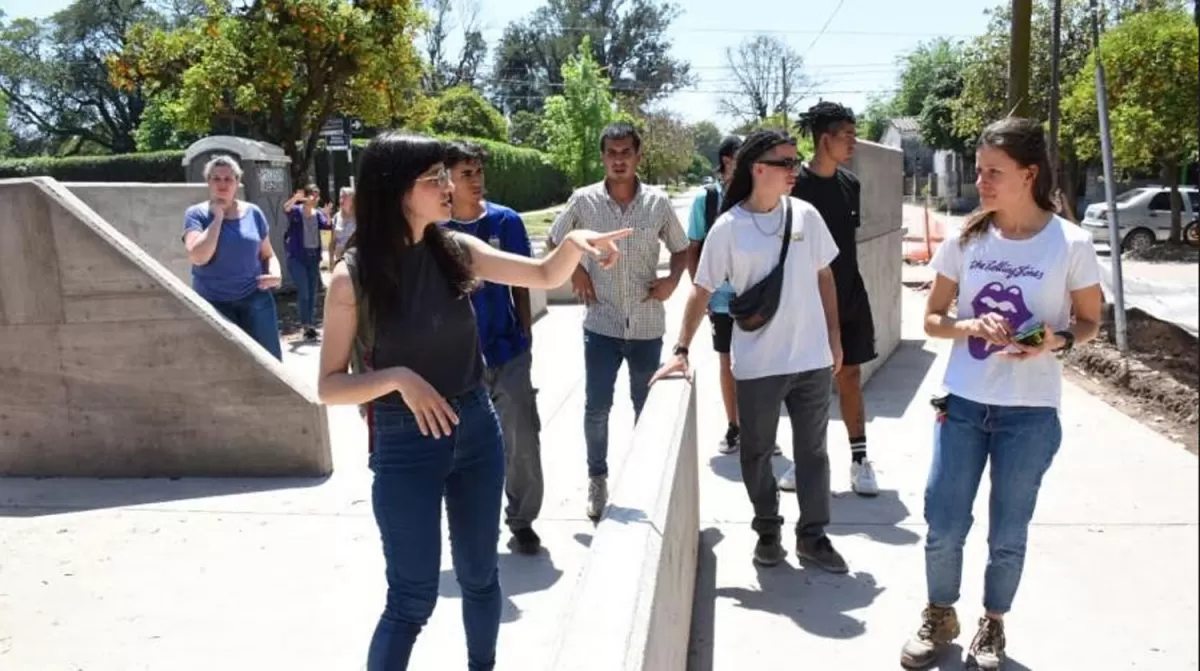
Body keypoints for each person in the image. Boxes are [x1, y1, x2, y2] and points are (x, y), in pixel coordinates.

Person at [316, 131, 629, 671]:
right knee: (411, 599)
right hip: (405, 444)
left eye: (447, 176)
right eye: (434, 178)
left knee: (481, 578)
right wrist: (399, 379)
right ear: (397, 189)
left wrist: (575, 243)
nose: (449, 186)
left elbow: (541, 274)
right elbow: (328, 385)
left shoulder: (455, 249)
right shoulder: (353, 276)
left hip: (477, 431)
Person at [898, 117, 1102, 671]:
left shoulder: (1071, 243)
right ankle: (940, 614)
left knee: (1008, 531)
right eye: (979, 170)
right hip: (963, 403)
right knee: (944, 523)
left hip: (1030, 414)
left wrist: (1053, 341)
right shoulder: (967, 238)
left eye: (994, 172)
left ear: (1029, 175)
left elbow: (1089, 322)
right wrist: (968, 325)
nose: (981, 182)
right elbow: (933, 318)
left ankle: (993, 625)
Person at [651, 129, 849, 573]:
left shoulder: (807, 215)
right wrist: (681, 348)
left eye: (796, 161)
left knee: (813, 452)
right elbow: (701, 289)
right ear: (759, 168)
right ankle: (768, 531)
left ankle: (813, 537)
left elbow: (825, 277)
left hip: (812, 360)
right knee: (756, 453)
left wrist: (835, 338)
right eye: (786, 162)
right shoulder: (729, 227)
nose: (795, 169)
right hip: (759, 364)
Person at [546, 122, 690, 521]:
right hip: (601, 323)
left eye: (626, 152)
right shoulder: (584, 201)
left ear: (638, 156)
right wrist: (577, 271)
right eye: (612, 152)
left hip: (646, 323)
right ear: (603, 157)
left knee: (646, 406)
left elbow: (681, 248)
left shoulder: (657, 203)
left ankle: (646, 479)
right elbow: (555, 240)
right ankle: (598, 479)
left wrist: (672, 279)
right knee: (597, 407)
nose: (619, 160)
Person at [442, 140, 544, 556]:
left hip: (508, 350)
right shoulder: (435, 230)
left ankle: (522, 520)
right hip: (456, 359)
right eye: (466, 173)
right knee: (464, 448)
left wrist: (525, 331)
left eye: (479, 172)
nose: (476, 180)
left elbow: (524, 280)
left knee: (522, 438)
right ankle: (470, 525)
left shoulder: (507, 221)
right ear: (447, 180)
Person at [781, 101, 880, 497]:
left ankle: (860, 461)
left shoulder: (850, 185)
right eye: (847, 136)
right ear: (825, 139)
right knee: (808, 385)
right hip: (806, 302)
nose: (853, 142)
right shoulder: (794, 186)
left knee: (850, 377)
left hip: (850, 296)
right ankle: (804, 459)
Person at [183, 155, 283, 360]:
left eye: (228, 179)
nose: (222, 183)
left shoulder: (254, 212)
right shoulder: (196, 214)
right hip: (214, 304)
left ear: (237, 182)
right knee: (227, 364)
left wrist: (275, 274)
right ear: (208, 181)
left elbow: (268, 254)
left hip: (255, 300)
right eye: (216, 178)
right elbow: (198, 257)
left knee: (269, 363)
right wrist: (218, 218)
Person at [686, 135, 743, 453]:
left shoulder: (756, 196)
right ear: (726, 160)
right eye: (742, 156)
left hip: (756, 298)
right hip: (720, 299)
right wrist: (701, 293)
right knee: (727, 361)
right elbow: (693, 247)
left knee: (759, 364)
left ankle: (761, 428)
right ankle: (734, 425)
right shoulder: (706, 200)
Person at [282, 184, 332, 341]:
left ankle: (310, 325)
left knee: (312, 293)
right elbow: (286, 209)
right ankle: (305, 325)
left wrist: (327, 215)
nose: (316, 199)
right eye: (313, 195)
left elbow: (327, 226)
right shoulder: (297, 210)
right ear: (306, 196)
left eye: (318, 196)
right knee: (304, 292)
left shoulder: (318, 214)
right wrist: (295, 198)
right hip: (297, 258)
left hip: (313, 258)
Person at [330, 186, 356, 264]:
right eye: (340, 197)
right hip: (340, 260)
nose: (341, 200)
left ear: (352, 200)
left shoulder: (359, 216)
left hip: (355, 260)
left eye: (344, 197)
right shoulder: (336, 217)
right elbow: (332, 242)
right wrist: (331, 260)